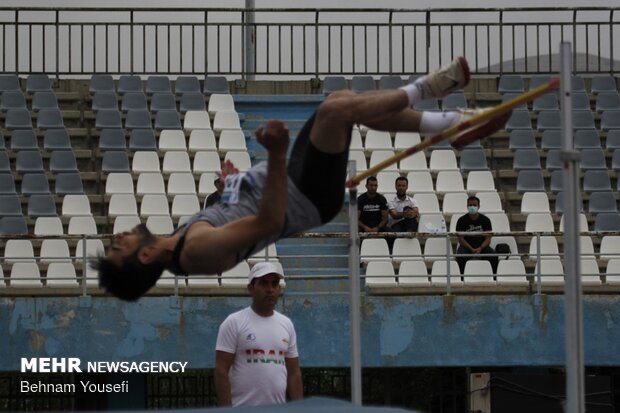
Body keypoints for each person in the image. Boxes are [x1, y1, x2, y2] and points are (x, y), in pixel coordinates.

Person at [95, 56, 507, 301]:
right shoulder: (195, 250)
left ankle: (447, 125)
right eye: (119, 248)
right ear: (144, 258)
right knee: (335, 112)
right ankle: (433, 90)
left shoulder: (181, 240)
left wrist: (230, 186)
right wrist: (274, 155)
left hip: (296, 184)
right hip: (305, 195)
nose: (120, 237)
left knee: (340, 102)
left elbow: (239, 215)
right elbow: (268, 224)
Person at [214, 262, 302, 407]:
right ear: (251, 288)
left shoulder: (286, 325)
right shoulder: (234, 322)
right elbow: (221, 370)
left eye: (274, 284)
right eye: (264, 284)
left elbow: (294, 373)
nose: (270, 290)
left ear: (279, 289)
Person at [455, 195, 498, 274]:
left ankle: (494, 277)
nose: (472, 207)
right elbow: (461, 239)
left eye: (474, 205)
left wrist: (480, 248)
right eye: (470, 205)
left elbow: (488, 238)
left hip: (482, 246)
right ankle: (461, 278)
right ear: (467, 206)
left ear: (479, 206)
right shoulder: (461, 220)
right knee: (461, 257)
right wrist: (471, 249)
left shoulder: (485, 220)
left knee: (493, 256)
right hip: (466, 247)